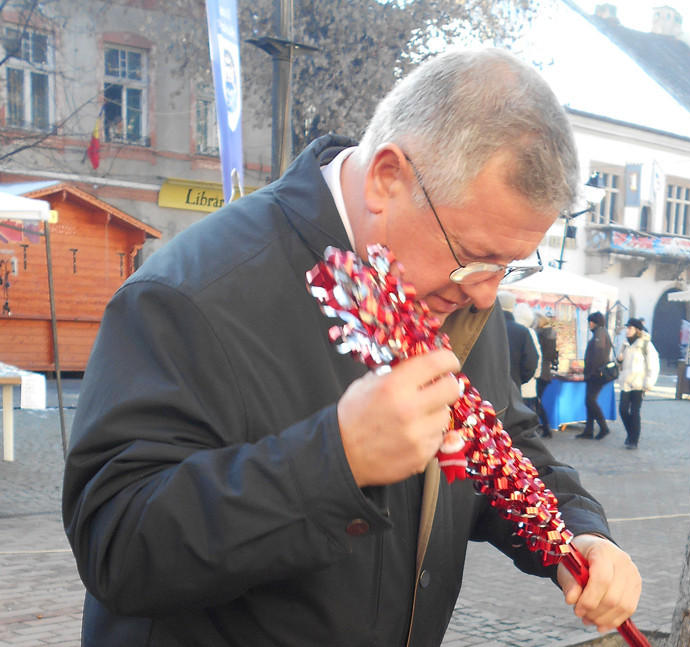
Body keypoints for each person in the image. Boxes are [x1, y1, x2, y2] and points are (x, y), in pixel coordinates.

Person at [62, 49, 641, 646]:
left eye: (511, 266)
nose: (489, 296)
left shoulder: (455, 291)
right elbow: (116, 544)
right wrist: (333, 462)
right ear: (388, 178)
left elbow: (503, 444)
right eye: (477, 256)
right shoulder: (189, 293)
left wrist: (577, 532)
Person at [615, 318, 660, 450]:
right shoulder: (624, 344)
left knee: (635, 412)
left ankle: (633, 440)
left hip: (639, 384)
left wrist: (648, 383)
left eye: (630, 327)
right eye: (627, 327)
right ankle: (631, 433)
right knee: (623, 410)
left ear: (637, 330)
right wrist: (619, 359)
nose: (627, 330)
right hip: (626, 383)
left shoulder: (646, 345)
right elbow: (618, 362)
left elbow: (653, 365)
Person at [577, 311, 613, 440]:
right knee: (589, 401)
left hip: (596, 374)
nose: (589, 325)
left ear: (594, 322)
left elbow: (599, 355)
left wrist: (592, 372)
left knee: (591, 401)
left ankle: (603, 427)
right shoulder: (601, 333)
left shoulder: (600, 335)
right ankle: (589, 429)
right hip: (594, 373)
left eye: (590, 322)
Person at [499, 290, 539, 390]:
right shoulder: (522, 331)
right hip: (513, 388)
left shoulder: (485, 329)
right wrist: (518, 380)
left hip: (485, 391)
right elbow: (531, 363)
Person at [534, 313, 560, 437]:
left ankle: (545, 427)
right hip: (546, 372)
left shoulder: (540, 335)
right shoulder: (551, 335)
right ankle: (545, 427)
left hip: (540, 371)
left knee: (536, 401)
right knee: (537, 400)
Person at [513, 301, 542, 408]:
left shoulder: (512, 330)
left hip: (516, 383)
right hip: (528, 382)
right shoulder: (530, 332)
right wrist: (535, 375)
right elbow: (537, 357)